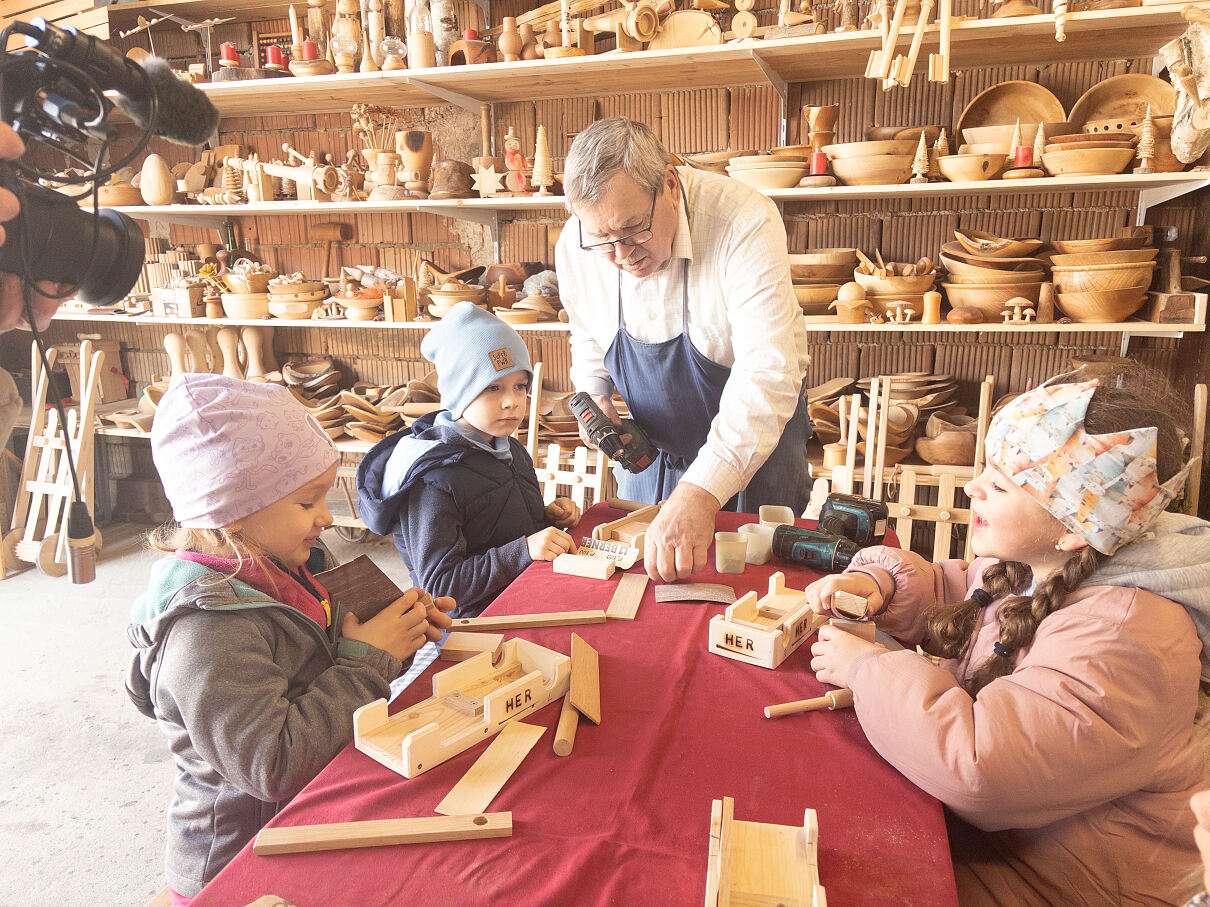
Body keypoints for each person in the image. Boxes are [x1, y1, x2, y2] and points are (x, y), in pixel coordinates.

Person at [805, 364, 1210, 905]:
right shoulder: (1039, 567)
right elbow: (961, 598)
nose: (972, 487)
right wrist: (880, 584)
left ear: (1073, 527)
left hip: (1061, 882)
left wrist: (865, 669)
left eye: (998, 483)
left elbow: (982, 767)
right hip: (1011, 845)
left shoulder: (1124, 641)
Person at [126, 374, 453, 904]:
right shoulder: (208, 632)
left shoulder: (280, 566)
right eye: (307, 503)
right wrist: (369, 661)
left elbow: (319, 649)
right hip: (240, 864)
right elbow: (272, 765)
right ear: (232, 511)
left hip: (304, 817)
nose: (326, 517)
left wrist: (397, 630)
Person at [555, 117, 811, 583]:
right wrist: (595, 392)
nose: (622, 255)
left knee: (758, 583)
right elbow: (586, 330)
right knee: (641, 578)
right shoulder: (578, 241)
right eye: (603, 241)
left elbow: (767, 372)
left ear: (670, 185)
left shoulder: (744, 220)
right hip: (652, 446)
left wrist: (699, 492)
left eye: (634, 229)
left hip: (756, 440)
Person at [358, 301, 581, 619]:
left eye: (520, 386)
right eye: (493, 388)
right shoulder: (435, 479)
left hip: (527, 594)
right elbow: (440, 587)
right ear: (459, 392)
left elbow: (504, 530)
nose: (511, 401)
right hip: (475, 626)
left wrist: (549, 520)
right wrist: (524, 550)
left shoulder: (509, 450)